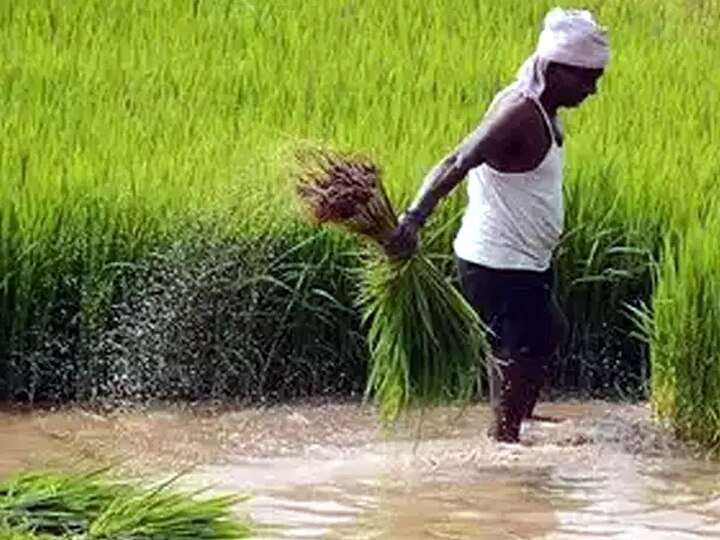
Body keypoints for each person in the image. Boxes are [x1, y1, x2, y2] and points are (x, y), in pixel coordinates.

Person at [385, 8, 610, 443]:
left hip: (525, 259)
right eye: (586, 77)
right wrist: (413, 219)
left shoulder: (542, 106)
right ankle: (503, 442)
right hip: (498, 261)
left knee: (545, 333)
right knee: (522, 347)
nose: (593, 89)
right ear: (555, 67)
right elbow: (458, 158)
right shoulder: (519, 113)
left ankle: (517, 417)